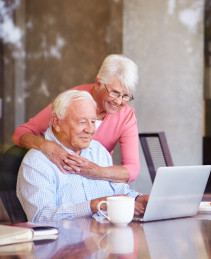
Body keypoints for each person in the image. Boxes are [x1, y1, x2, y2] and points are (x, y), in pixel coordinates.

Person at [17, 90, 148, 222]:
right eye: (82, 122)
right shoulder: (37, 161)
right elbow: (41, 216)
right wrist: (94, 205)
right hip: (65, 241)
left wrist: (138, 199)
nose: (90, 130)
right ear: (57, 122)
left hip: (104, 239)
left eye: (93, 122)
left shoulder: (98, 151)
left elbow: (118, 190)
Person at [13, 54, 139, 183]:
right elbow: (21, 133)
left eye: (126, 96)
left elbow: (132, 169)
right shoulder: (72, 101)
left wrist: (96, 171)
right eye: (115, 92)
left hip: (96, 182)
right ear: (99, 83)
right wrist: (46, 146)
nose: (118, 101)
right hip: (60, 177)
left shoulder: (126, 116)